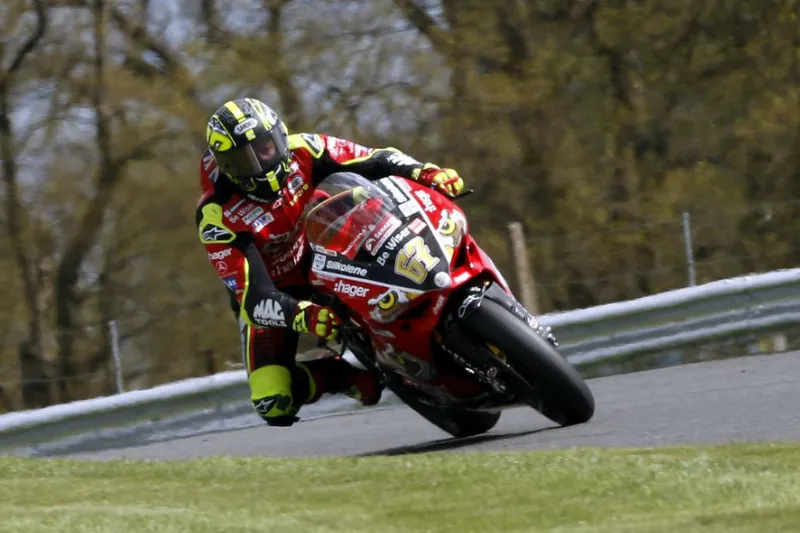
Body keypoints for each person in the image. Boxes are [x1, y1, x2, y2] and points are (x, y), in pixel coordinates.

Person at [196, 97, 464, 427]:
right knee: (273, 402)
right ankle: (342, 376)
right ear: (226, 166)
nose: (260, 163)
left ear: (280, 137)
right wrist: (300, 314)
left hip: (327, 250)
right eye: (243, 159)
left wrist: (425, 171)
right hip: (279, 292)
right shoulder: (216, 215)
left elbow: (375, 158)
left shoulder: (305, 149)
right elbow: (253, 297)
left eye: (265, 148)